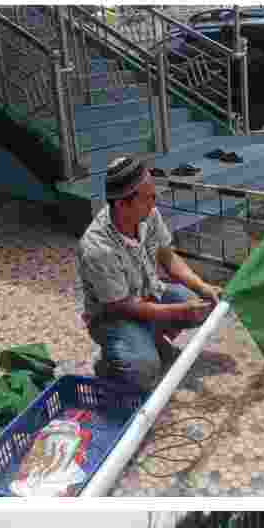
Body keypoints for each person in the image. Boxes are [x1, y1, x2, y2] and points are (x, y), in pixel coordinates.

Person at [76, 155, 223, 390]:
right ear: (123, 204)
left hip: (150, 296)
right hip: (114, 317)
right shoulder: (97, 248)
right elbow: (122, 306)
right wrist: (176, 311)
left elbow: (167, 256)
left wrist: (200, 286)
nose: (155, 203)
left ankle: (150, 337)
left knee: (205, 307)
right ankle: (110, 362)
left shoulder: (147, 214)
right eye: (148, 198)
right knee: (143, 370)